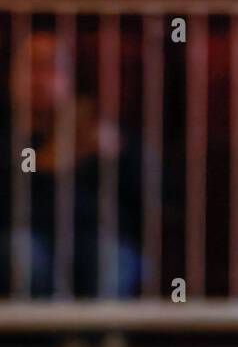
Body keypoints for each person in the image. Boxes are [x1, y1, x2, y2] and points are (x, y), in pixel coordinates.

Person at [0, 26, 145, 299]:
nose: (40, 79)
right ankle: (54, 340)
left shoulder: (97, 128)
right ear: (11, 78)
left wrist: (120, 155)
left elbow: (156, 192)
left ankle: (104, 337)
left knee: (112, 258)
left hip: (93, 237)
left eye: (51, 66)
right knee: (23, 254)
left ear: (70, 78)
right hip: (25, 236)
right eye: (31, 66)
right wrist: (47, 161)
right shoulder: (7, 134)